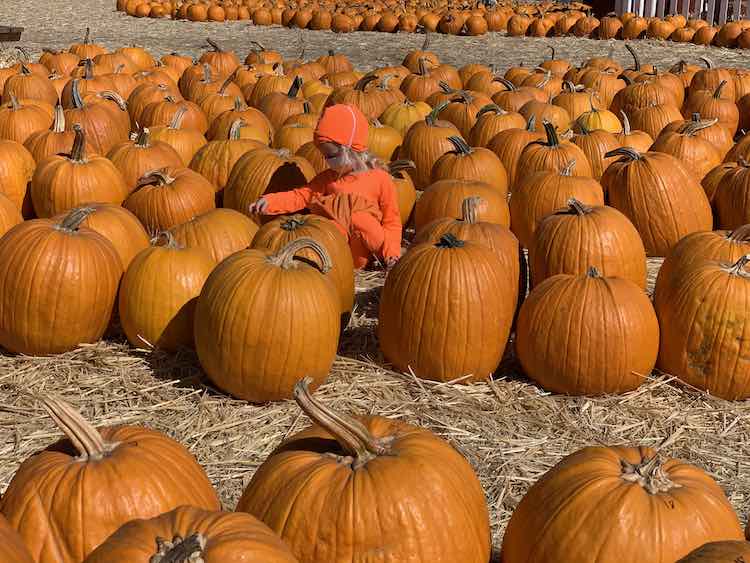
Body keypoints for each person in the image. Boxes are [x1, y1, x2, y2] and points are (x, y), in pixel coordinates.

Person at [249, 104, 403, 270]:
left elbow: (391, 221)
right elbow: (302, 195)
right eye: (325, 155)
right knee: (329, 229)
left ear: (350, 148)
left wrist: (391, 252)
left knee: (361, 219)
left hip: (371, 249)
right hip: (340, 253)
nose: (327, 160)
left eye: (331, 155)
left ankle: (386, 264)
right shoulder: (327, 179)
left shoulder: (380, 179)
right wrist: (271, 202)